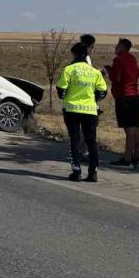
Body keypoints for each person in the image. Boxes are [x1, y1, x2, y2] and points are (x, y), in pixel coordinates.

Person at [56, 42, 108, 182]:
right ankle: (93, 172)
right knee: (91, 141)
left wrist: (66, 97)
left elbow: (61, 90)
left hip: (71, 109)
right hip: (90, 111)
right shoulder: (95, 72)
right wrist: (94, 99)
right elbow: (103, 92)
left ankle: (76, 171)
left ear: (74, 54)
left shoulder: (69, 69)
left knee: (74, 140)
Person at [105, 38, 139, 167]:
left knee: (129, 128)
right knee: (135, 127)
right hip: (135, 95)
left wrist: (110, 72)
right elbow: (137, 74)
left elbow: (117, 78)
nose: (115, 48)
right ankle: (136, 156)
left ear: (122, 46)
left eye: (117, 45)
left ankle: (127, 158)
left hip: (125, 97)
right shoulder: (133, 58)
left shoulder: (118, 59)